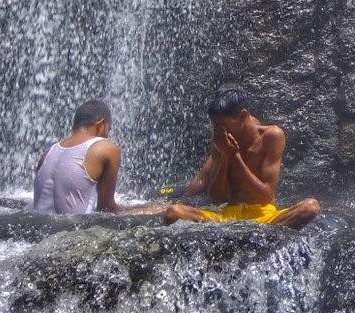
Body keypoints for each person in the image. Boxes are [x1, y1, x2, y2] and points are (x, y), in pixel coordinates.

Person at [163, 84, 320, 229]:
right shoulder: (220, 137)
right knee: (174, 212)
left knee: (310, 207)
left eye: (223, 125)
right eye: (215, 126)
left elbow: (265, 196)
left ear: (242, 116)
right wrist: (224, 157)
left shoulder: (271, 136)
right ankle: (245, 232)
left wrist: (235, 157)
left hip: (263, 214)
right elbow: (217, 198)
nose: (219, 131)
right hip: (226, 215)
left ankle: (259, 231)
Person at [33, 98, 163, 215]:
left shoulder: (48, 152)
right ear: (101, 124)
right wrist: (149, 208)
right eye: (109, 129)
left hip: (37, 228)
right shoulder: (106, 148)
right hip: (73, 230)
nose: (108, 135)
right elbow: (107, 208)